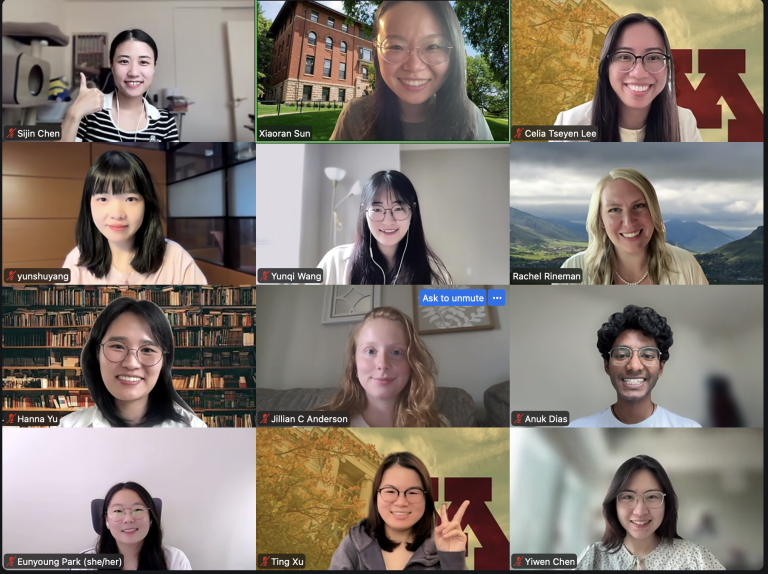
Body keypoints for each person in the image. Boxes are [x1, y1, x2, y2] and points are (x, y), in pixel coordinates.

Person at [330, 1, 492, 141]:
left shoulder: (471, 119)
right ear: (376, 51)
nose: (414, 66)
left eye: (432, 46)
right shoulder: (354, 116)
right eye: (396, 46)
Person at [62, 150, 208, 285]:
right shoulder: (75, 262)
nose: (117, 214)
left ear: (146, 204)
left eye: (130, 199)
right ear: (88, 205)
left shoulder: (176, 258)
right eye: (103, 199)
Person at [58, 297, 206, 427]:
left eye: (147, 350)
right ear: (97, 353)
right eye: (117, 347)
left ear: (164, 360)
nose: (131, 363)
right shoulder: (66, 429)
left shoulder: (194, 431)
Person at [554, 14, 702, 142]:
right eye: (625, 56)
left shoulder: (685, 122)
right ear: (606, 66)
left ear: (667, 67)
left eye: (653, 58)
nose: (639, 73)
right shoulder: (569, 124)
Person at [560, 168, 708, 285]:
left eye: (638, 206)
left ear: (653, 211)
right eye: (615, 210)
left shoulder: (686, 264)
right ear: (600, 219)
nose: (629, 222)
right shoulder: (572, 269)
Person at [577, 455, 725, 569]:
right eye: (628, 497)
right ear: (613, 503)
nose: (640, 511)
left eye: (652, 497)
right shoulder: (593, 556)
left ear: (666, 503)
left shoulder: (694, 558)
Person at [330, 452, 470, 570]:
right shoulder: (355, 543)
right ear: (376, 496)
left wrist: (453, 561)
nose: (401, 502)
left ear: (426, 499)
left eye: (413, 492)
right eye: (390, 491)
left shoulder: (442, 552)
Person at [568, 305, 701, 428]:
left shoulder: (688, 427)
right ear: (607, 365)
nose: (634, 366)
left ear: (661, 367)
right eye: (621, 355)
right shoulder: (576, 427)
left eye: (647, 355)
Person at [318, 307, 449, 427]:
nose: (383, 364)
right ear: (355, 362)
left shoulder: (438, 425)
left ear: (412, 364)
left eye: (396, 352)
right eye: (370, 351)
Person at [317, 170, 451, 285]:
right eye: (377, 209)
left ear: (412, 211)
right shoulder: (334, 262)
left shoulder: (436, 272)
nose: (388, 221)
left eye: (398, 208)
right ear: (364, 211)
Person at [61, 30, 180, 142]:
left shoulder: (165, 121)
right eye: (124, 61)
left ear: (153, 67)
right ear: (112, 66)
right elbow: (58, 155)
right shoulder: (89, 112)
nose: (133, 73)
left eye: (143, 62)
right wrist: (74, 112)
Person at [81, 481, 192, 569]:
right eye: (118, 511)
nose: (128, 519)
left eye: (138, 510)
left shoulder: (175, 560)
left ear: (151, 518)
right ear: (107, 521)